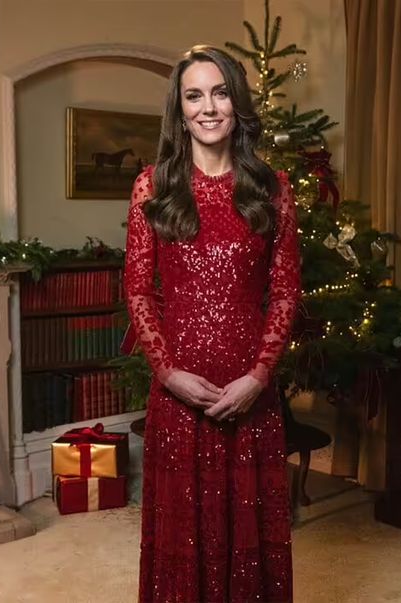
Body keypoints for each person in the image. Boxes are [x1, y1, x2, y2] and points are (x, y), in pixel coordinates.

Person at [124, 44, 301, 603]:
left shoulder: (272, 188)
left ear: (237, 103)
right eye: (194, 95)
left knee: (250, 542)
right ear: (179, 111)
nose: (208, 107)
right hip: (179, 400)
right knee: (183, 541)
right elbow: (139, 291)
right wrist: (168, 373)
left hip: (250, 398)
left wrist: (259, 375)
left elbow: (286, 292)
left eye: (220, 92)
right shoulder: (152, 187)